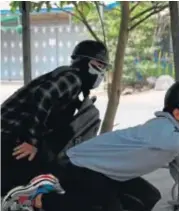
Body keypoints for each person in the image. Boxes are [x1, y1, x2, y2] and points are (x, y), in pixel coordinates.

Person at [3, 78, 179, 211]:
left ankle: (92, 194)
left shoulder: (177, 132)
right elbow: (178, 145)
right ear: (177, 112)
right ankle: (37, 198)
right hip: (79, 167)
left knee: (151, 201)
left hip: (111, 175)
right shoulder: (161, 127)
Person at [1, 40, 110, 196]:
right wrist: (31, 141)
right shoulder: (73, 78)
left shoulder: (69, 79)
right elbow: (43, 95)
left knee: (35, 180)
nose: (102, 71)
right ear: (84, 61)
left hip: (11, 135)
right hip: (9, 136)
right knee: (38, 183)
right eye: (99, 64)